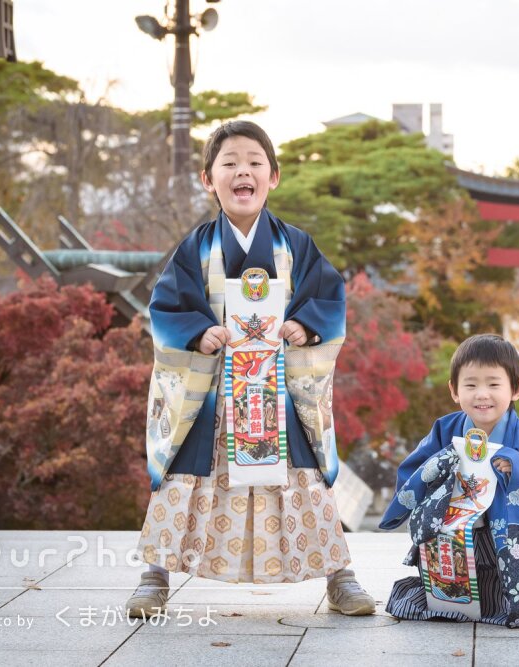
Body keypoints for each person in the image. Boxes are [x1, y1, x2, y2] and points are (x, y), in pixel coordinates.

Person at [127, 120, 374, 618]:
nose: (244, 171)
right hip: (215, 392)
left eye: (255, 163)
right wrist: (199, 333)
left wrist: (305, 326)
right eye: (231, 163)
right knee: (181, 479)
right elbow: (167, 306)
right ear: (207, 179)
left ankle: (339, 577)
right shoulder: (196, 248)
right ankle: (154, 576)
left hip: (277, 389)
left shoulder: (295, 246)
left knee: (305, 478)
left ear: (274, 177)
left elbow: (328, 295)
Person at [380, 334, 519, 627]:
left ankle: (498, 599)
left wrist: (516, 469)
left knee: (512, 595)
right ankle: (452, 598)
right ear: (454, 390)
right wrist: (442, 466)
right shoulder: (445, 428)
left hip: (503, 536)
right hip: (453, 527)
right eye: (471, 384)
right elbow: (415, 469)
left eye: (493, 384)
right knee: (440, 587)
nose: (482, 394)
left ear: (515, 389)